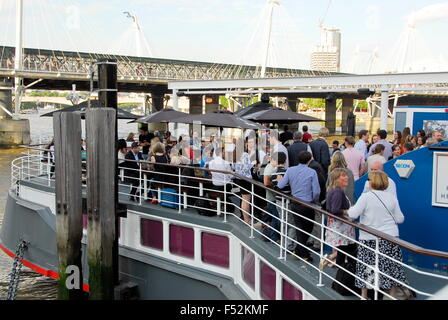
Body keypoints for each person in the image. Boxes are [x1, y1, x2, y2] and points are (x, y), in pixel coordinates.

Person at [344, 171, 408, 300]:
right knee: (390, 266)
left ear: (372, 182)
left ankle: (364, 295)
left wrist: (344, 210)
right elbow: (400, 219)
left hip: (369, 238)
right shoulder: (392, 197)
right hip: (390, 237)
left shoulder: (366, 197)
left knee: (366, 266)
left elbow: (353, 214)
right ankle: (389, 295)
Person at [277, 151, 320, 262]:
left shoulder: (290, 170)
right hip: (307, 204)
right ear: (309, 160)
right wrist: (315, 201)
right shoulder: (312, 172)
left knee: (300, 228)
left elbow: (280, 185)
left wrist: (278, 180)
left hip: (294, 203)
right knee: (308, 228)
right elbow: (316, 192)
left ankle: (298, 250)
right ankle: (304, 253)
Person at [322, 169, 356, 272]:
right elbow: (335, 209)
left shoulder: (333, 190)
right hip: (341, 228)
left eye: (346, 175)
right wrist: (347, 212)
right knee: (350, 250)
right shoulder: (337, 191)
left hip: (339, 227)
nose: (347, 177)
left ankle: (340, 273)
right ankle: (344, 276)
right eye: (343, 176)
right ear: (336, 179)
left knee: (344, 250)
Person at [234, 139, 254, 224]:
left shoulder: (235, 154)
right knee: (246, 200)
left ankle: (245, 218)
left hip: (239, 178)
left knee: (244, 199)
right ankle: (247, 219)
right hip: (245, 179)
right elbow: (246, 168)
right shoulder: (245, 154)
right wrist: (253, 162)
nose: (247, 145)